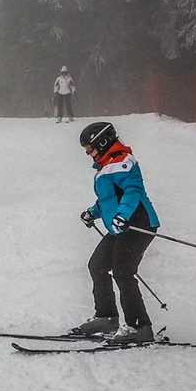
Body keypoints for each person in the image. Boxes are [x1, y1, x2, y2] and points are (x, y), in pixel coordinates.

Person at [74, 122, 161, 343]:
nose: (88, 153)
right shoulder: (104, 167)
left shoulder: (123, 161)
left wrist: (123, 215)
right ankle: (106, 317)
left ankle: (139, 327)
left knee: (123, 271)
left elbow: (133, 191)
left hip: (138, 223)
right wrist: (93, 212)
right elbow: (108, 199)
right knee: (97, 265)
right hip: (120, 226)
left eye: (89, 148)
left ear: (102, 142)